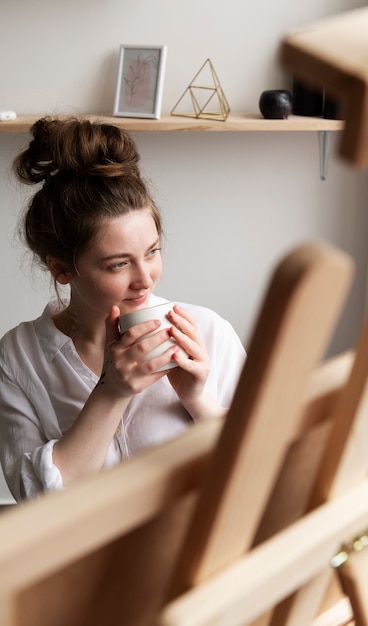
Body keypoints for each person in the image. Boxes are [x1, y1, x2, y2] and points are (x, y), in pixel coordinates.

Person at [0, 117, 246, 501]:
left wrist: (198, 398)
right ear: (61, 268)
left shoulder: (208, 331)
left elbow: (260, 465)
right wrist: (111, 392)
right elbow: (34, 504)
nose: (145, 278)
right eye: (118, 264)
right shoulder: (19, 357)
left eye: (152, 252)